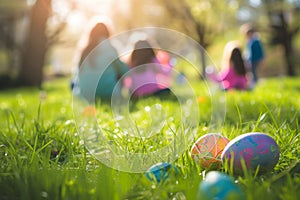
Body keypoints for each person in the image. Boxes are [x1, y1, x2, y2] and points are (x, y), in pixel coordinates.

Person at [72, 20, 129, 102]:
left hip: (86, 95)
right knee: (119, 73)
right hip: (109, 94)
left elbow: (78, 73)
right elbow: (124, 70)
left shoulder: (84, 50)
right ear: (108, 33)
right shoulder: (110, 47)